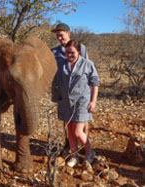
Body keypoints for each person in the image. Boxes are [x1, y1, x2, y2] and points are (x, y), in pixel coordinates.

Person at [52, 39, 99, 167]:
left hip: (82, 101)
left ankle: (89, 152)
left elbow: (95, 83)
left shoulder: (87, 64)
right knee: (70, 132)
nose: (69, 55)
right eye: (67, 52)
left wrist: (93, 101)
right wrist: (56, 97)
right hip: (66, 101)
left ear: (79, 51)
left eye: (72, 52)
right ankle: (74, 156)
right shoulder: (62, 64)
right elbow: (56, 82)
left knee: (78, 132)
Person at [51, 22, 89, 156]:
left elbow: (86, 68)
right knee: (67, 120)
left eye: (61, 35)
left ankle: (85, 149)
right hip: (63, 90)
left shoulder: (81, 48)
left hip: (80, 91)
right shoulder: (54, 51)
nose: (59, 38)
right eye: (57, 36)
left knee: (81, 119)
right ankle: (69, 146)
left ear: (68, 33)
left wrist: (89, 94)